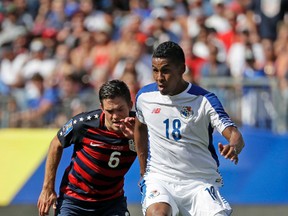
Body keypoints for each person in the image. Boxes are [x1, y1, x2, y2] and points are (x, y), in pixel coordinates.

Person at [134, 41, 245, 216]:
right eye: (155, 70)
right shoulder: (144, 97)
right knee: (157, 214)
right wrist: (143, 169)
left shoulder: (204, 100)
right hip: (160, 178)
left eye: (166, 70)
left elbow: (234, 134)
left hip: (199, 181)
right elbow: (139, 128)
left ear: (182, 69)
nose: (159, 77)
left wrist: (234, 146)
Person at [37, 79, 137, 216]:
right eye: (110, 111)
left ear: (130, 105)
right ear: (102, 108)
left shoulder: (141, 129)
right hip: (74, 200)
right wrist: (48, 188)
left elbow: (152, 157)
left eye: (120, 110)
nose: (115, 117)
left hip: (112, 202)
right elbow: (56, 144)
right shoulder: (84, 124)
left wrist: (135, 139)